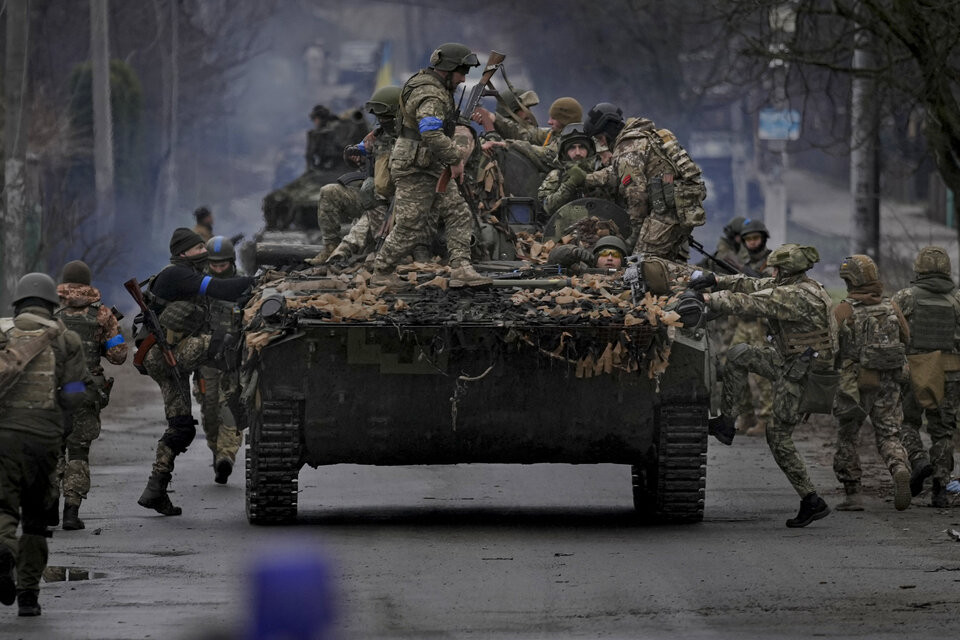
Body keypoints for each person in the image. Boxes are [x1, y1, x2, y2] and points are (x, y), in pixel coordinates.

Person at [693, 244, 837, 527]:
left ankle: (811, 500)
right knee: (738, 354)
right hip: (789, 360)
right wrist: (717, 279)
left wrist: (708, 298)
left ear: (785, 270)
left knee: (778, 435)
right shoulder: (797, 285)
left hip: (801, 374)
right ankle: (727, 422)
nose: (772, 272)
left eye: (776, 268)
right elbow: (753, 283)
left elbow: (749, 302)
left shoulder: (795, 296)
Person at [137, 228, 254, 516]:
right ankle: (241, 401)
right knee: (226, 343)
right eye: (198, 247)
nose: (204, 251)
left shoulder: (183, 272)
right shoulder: (177, 274)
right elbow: (220, 288)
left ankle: (156, 489)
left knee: (181, 429)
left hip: (165, 359)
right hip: (167, 355)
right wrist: (259, 281)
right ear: (183, 253)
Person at [0, 273, 89, 616]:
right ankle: (28, 596)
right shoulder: (65, 339)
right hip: (44, 440)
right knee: (37, 520)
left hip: (4, 437)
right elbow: (74, 394)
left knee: (4, 506)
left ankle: (3, 550)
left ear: (19, 302)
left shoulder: (4, 333)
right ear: (53, 304)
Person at [371, 42, 488, 286]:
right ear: (448, 69)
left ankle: (461, 267)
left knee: (458, 212)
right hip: (416, 166)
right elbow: (430, 132)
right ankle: (381, 272)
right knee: (410, 227)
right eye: (461, 71)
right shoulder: (431, 93)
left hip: (429, 163)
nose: (463, 78)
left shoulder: (431, 85)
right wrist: (455, 158)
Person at [831, 254, 912, 511]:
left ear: (850, 281)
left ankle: (853, 493)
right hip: (890, 379)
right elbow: (906, 338)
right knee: (889, 433)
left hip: (855, 383)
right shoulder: (891, 306)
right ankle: (899, 467)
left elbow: (831, 348)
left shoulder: (844, 310)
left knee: (847, 435)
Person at [53, 260, 128, 530]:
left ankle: (49, 507)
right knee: (79, 450)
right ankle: (71, 512)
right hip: (85, 389)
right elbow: (118, 356)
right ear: (88, 283)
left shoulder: (53, 312)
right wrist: (111, 335)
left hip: (55, 388)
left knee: (52, 447)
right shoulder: (103, 314)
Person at [584, 102, 706, 259]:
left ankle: (699, 279)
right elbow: (618, 173)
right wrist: (586, 178)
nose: (601, 143)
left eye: (601, 137)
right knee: (662, 261)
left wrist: (631, 238)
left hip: (666, 212)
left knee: (642, 263)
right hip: (682, 206)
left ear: (610, 130)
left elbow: (636, 196)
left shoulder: (627, 148)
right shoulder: (643, 136)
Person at [892, 246, 960, 508]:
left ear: (918, 268)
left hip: (915, 369)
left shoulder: (906, 297)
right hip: (950, 372)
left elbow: (891, 328)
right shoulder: (957, 300)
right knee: (943, 431)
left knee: (906, 422)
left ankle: (919, 460)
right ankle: (941, 490)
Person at [315, 86, 401, 262]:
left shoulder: (411, 138)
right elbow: (360, 150)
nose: (382, 121)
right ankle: (331, 246)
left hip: (398, 202)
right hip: (371, 195)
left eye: (386, 117)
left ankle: (345, 250)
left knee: (372, 202)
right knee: (329, 191)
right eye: (380, 117)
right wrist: (355, 156)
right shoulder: (377, 136)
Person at [196, 237, 245, 485]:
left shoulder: (243, 284)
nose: (217, 269)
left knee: (231, 409)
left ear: (231, 262)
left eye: (222, 264)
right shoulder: (200, 285)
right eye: (213, 265)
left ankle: (226, 456)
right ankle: (217, 451)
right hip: (206, 359)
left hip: (234, 359)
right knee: (210, 409)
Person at [729, 218, 774, 437]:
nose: (752, 243)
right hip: (743, 322)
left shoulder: (773, 263)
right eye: (748, 239)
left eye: (756, 238)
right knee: (734, 368)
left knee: (762, 374)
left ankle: (766, 419)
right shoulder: (745, 262)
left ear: (763, 238)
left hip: (760, 324)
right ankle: (746, 415)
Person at [537, 122, 618, 215]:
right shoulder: (556, 176)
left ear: (590, 150)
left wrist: (590, 181)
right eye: (572, 148)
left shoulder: (603, 172)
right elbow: (547, 207)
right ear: (564, 153)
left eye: (582, 147)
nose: (578, 153)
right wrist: (569, 184)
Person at [547, 234, 629, 271]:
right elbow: (552, 259)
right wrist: (572, 252)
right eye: (605, 253)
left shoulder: (630, 278)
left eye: (615, 255)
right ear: (596, 258)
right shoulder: (582, 271)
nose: (610, 258)